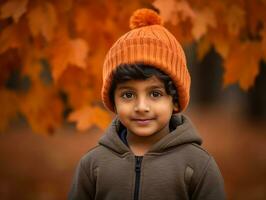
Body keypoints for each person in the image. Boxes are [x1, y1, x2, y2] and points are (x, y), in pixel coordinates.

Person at [68, 8, 225, 200]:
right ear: (113, 102)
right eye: (127, 95)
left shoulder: (198, 165)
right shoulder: (93, 165)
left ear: (175, 101)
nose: (141, 106)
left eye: (155, 93)